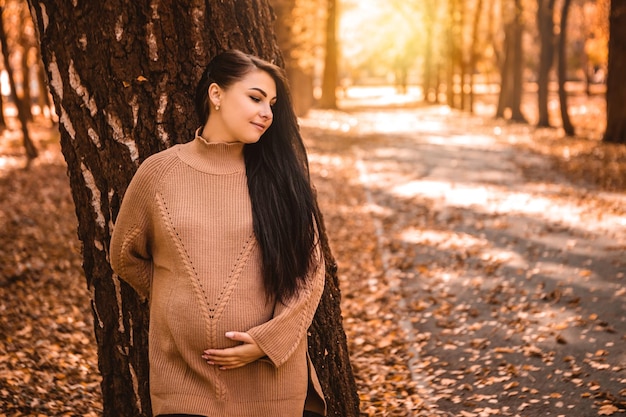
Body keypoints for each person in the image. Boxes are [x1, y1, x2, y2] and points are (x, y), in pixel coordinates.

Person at [109, 49, 326, 417]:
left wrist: (264, 342)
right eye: (255, 98)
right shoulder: (159, 173)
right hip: (182, 382)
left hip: (270, 383)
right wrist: (177, 305)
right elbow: (124, 256)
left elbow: (309, 273)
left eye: (272, 104)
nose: (267, 113)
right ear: (216, 94)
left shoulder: (281, 180)